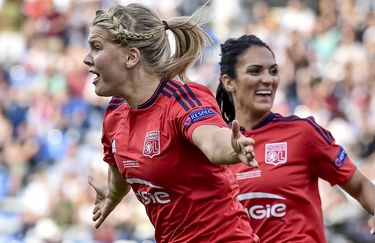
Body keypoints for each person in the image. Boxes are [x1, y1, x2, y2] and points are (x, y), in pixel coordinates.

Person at [83, 3, 260, 242]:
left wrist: (232, 147)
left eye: (96, 47)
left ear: (131, 57)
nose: (86, 59)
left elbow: (211, 140)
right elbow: (121, 174)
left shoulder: (182, 100)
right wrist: (112, 195)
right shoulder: (115, 114)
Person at [216, 35, 375, 243]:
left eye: (273, 71)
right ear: (228, 82)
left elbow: (359, 184)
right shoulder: (214, 148)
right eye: (255, 71)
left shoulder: (302, 133)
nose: (268, 79)